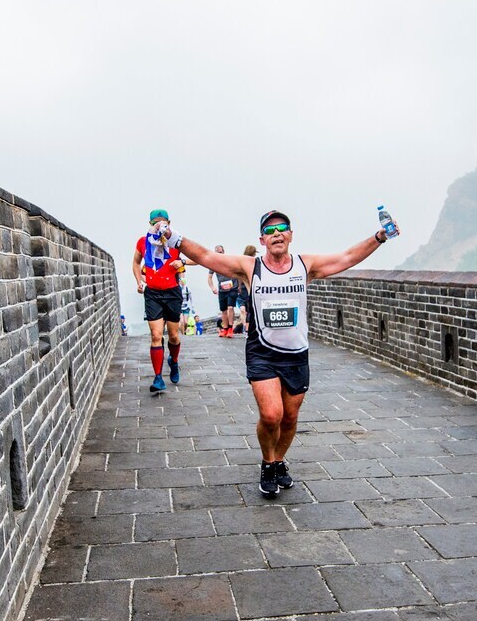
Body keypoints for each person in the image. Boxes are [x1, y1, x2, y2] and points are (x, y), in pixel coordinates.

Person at [162, 209, 399, 497]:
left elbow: (346, 258)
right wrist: (172, 237)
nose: (277, 234)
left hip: (297, 354)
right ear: (262, 239)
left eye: (282, 228)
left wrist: (380, 237)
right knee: (272, 414)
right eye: (270, 230)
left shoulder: (305, 265)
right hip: (262, 352)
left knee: (290, 417)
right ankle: (267, 462)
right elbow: (206, 257)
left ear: (290, 235)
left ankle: (279, 460)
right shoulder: (249, 266)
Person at [132, 208, 187, 394]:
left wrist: (183, 263)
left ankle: (174, 361)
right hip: (153, 293)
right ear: (150, 224)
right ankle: (158, 378)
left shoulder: (175, 241)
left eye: (163, 222)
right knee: (156, 335)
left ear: (169, 223)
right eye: (155, 222)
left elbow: (197, 258)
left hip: (172, 292)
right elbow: (136, 263)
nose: (159, 225)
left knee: (173, 336)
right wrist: (139, 281)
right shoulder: (143, 242)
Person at [206, 246, 241, 336]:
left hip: (232, 288)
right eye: (217, 253)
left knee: (230, 308)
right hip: (222, 289)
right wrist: (213, 287)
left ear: (223, 252)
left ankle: (230, 328)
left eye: (220, 252)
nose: (219, 254)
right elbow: (209, 278)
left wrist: (239, 286)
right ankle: (225, 329)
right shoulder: (213, 264)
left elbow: (238, 274)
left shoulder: (229, 261)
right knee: (223, 310)